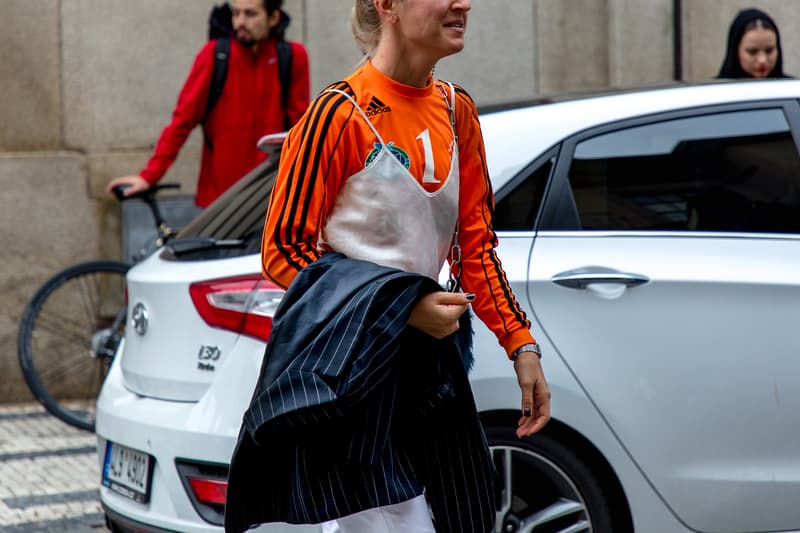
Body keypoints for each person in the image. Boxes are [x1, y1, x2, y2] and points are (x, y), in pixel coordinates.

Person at [224, 1, 550, 532]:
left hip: (427, 378)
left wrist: (521, 344)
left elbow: (475, 248)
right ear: (388, 5)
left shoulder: (455, 110)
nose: (463, 3)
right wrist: (403, 308)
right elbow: (285, 249)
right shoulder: (338, 113)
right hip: (349, 387)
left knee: (461, 514)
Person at [106, 0, 310, 208]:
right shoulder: (215, 55)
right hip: (218, 203)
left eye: (250, 14)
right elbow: (181, 122)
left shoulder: (293, 57)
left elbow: (301, 128)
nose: (240, 22)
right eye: (236, 13)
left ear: (273, 18)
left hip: (271, 200)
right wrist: (149, 177)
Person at [717, 7, 790, 79]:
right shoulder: (716, 90)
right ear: (735, 51)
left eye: (769, 51)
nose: (762, 60)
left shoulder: (792, 88)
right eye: (752, 52)